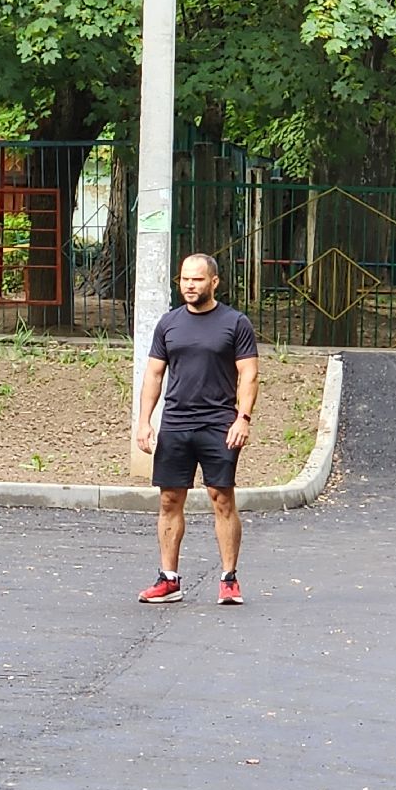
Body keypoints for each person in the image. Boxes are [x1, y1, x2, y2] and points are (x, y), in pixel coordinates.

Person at [133, 253, 259, 606]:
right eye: (185, 279)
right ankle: (168, 579)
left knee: (222, 499)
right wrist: (144, 421)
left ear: (214, 282)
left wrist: (242, 418)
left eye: (197, 280)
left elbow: (249, 374)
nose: (189, 285)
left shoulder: (235, 323)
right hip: (176, 423)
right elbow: (154, 374)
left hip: (219, 423)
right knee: (169, 500)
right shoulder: (168, 324)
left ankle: (229, 579)